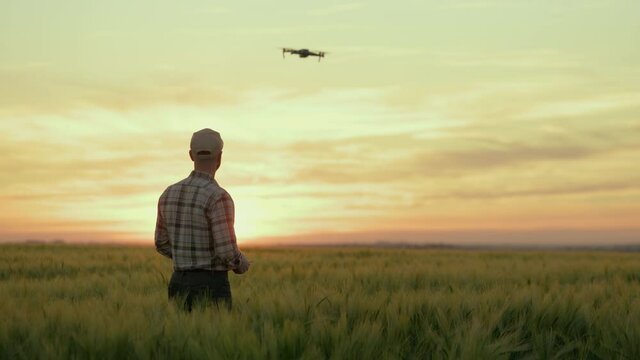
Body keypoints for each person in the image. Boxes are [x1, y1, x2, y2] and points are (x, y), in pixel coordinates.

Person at [155, 128, 250, 311]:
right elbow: (226, 252)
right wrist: (241, 263)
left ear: (191, 155)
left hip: (177, 283)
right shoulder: (218, 196)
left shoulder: (168, 194)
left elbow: (161, 243)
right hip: (211, 285)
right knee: (215, 338)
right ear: (220, 158)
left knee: (181, 337)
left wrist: (187, 257)